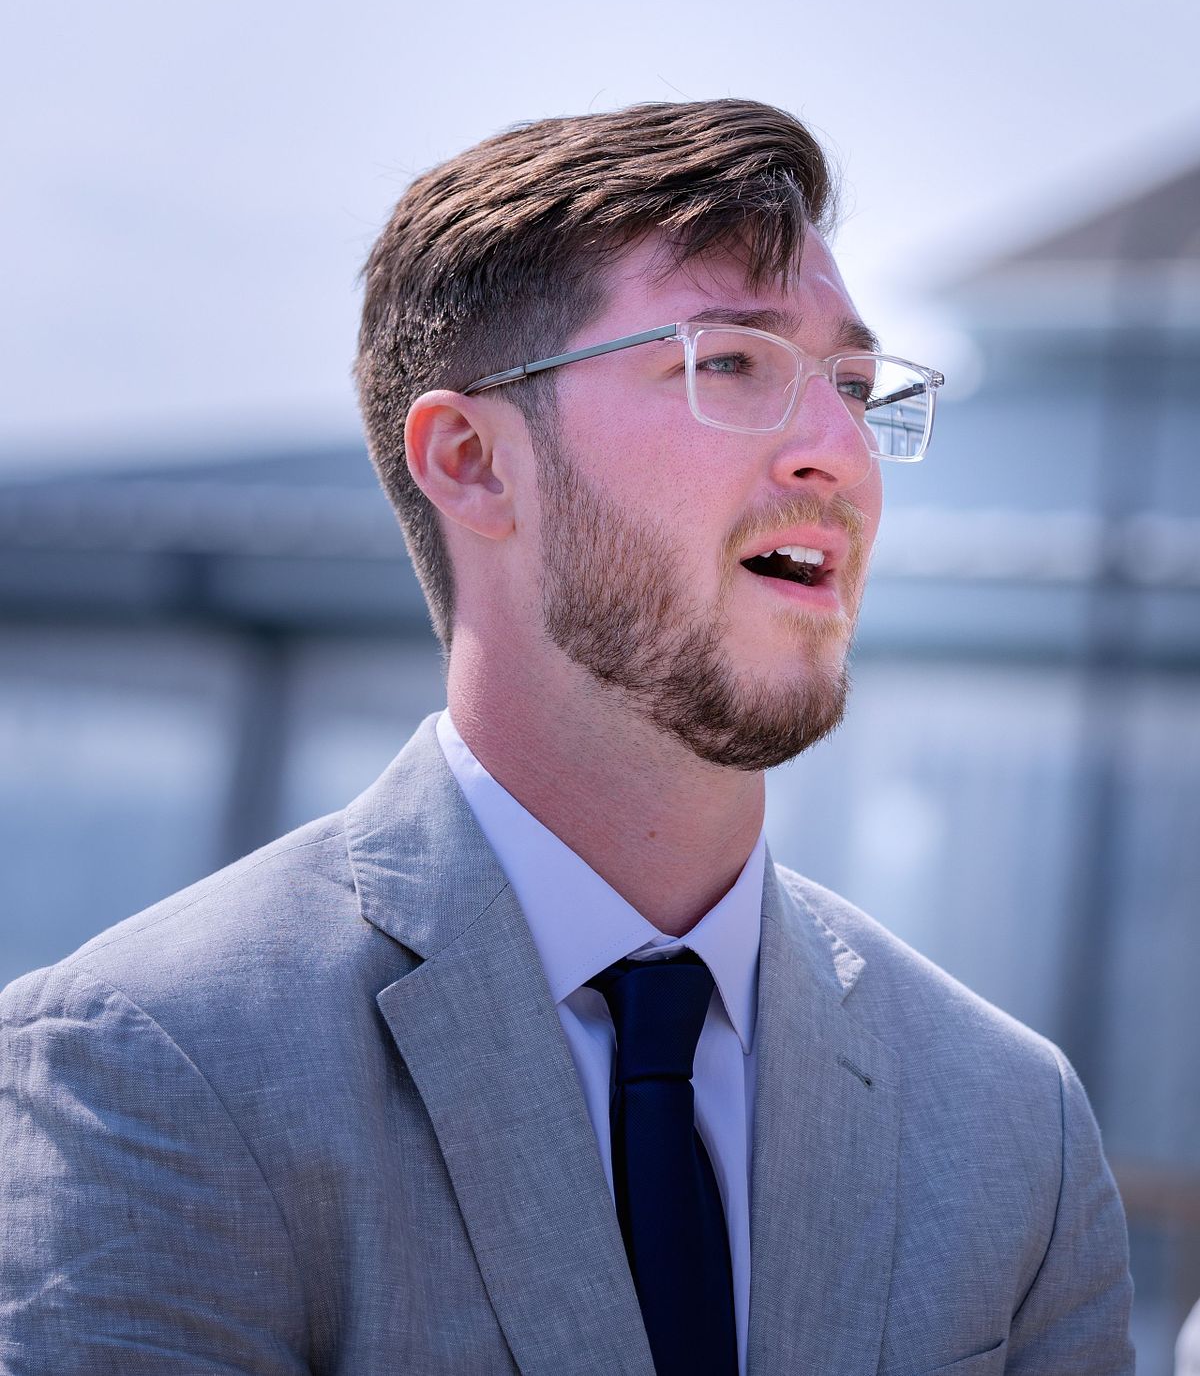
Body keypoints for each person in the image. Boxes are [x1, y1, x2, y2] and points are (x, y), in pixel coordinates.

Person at [0, 99, 1133, 1374]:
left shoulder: (1009, 1126)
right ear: (475, 460)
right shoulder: (153, 1067)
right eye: (730, 363)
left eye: (858, 390)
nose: (841, 455)